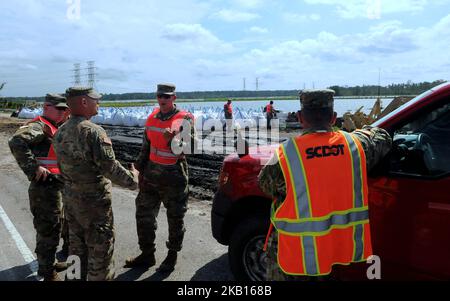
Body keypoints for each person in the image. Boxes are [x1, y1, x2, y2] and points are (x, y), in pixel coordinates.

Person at [258, 89, 392, 281]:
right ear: (334, 117)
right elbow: (382, 136)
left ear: (300, 117)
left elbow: (264, 185)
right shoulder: (356, 145)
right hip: (336, 252)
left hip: (295, 257)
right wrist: (357, 132)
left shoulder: (285, 153)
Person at [53, 87, 138, 281]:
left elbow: (63, 169)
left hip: (72, 203)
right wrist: (133, 180)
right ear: (84, 102)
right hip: (94, 207)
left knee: (76, 249)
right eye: (95, 99)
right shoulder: (93, 132)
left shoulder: (60, 132)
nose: (98, 103)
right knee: (100, 254)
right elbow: (110, 168)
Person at [125, 83, 195, 273]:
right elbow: (145, 147)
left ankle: (172, 255)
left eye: (167, 96)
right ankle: (147, 254)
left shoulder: (184, 118)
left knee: (175, 218)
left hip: (174, 179)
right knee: (144, 216)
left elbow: (191, 149)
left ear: (174, 98)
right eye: (160, 96)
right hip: (150, 178)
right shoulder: (152, 118)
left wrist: (173, 140)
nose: (162, 99)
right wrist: (138, 169)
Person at [9, 93, 71, 281]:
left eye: (64, 109)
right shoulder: (39, 126)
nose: (63, 112)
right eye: (59, 108)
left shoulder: (54, 126)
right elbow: (16, 142)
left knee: (56, 226)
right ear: (46, 107)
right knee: (48, 230)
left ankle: (49, 262)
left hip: (55, 186)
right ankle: (47, 272)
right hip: (44, 188)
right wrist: (33, 168)